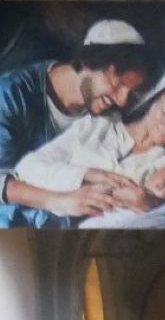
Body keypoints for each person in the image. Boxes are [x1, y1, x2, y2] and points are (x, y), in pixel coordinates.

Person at [13, 68, 165, 224]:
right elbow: (26, 169)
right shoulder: (97, 126)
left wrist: (149, 204)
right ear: (154, 100)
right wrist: (86, 175)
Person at [0, 18, 151, 225]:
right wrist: (59, 200)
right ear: (88, 63)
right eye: (118, 84)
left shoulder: (108, 114)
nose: (122, 100)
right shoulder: (10, 95)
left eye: (129, 92)